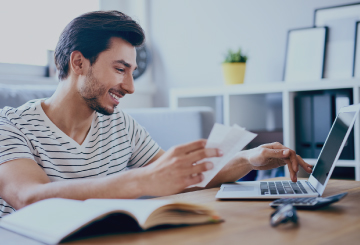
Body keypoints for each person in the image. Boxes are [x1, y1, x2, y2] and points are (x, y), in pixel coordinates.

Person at [0, 11, 312, 218]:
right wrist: (142, 181)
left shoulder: (121, 126)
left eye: (132, 72)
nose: (130, 87)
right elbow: (29, 198)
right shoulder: (10, 125)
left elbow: (183, 179)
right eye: (121, 69)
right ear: (78, 62)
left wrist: (249, 158)